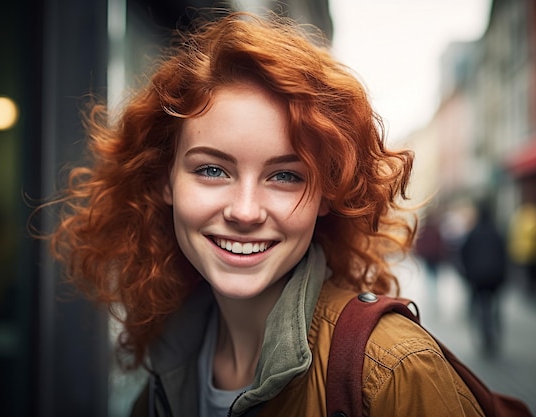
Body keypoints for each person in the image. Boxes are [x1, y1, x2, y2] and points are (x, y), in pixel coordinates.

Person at [43, 11, 493, 416]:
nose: (244, 211)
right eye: (212, 170)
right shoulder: (169, 367)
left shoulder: (394, 372)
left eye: (285, 177)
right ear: (165, 181)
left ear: (326, 196)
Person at [459, 203, 507, 356]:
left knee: (481, 305)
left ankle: (486, 333)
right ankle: (495, 331)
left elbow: (463, 254)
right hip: (495, 277)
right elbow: (504, 256)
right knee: (494, 305)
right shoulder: (497, 233)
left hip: (478, 278)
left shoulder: (473, 233)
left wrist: (468, 274)